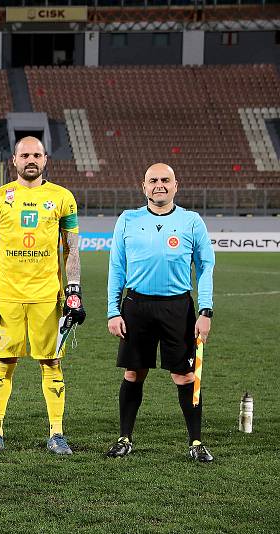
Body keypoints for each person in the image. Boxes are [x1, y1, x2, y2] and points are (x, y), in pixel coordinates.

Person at [0, 136, 84, 456]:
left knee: (52, 362)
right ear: (15, 161)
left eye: (36, 154)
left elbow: (71, 249)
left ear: (45, 159)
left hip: (49, 298)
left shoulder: (63, 198)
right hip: (6, 297)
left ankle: (57, 433)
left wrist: (74, 290)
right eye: (25, 155)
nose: (31, 160)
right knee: (3, 362)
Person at [106, 163, 215, 463]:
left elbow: (205, 268)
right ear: (144, 186)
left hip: (178, 308)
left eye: (165, 180)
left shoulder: (192, 221)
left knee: (185, 375)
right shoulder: (128, 220)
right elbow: (116, 267)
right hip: (136, 306)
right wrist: (113, 311)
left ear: (176, 185)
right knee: (133, 372)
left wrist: (205, 310)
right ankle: (124, 438)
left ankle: (195, 441)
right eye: (153, 180)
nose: (159, 185)